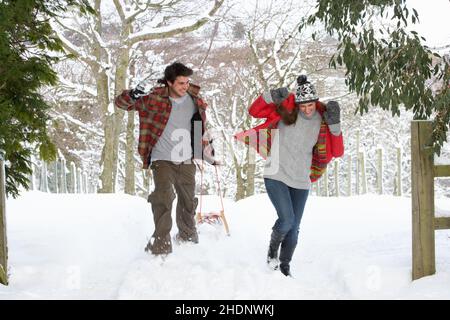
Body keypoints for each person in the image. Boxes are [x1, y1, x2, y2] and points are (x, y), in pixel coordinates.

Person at [235, 75, 344, 276]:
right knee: (286, 220)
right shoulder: (287, 111)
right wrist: (271, 96)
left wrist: (335, 125)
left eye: (310, 105)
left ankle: (285, 267)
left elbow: (337, 152)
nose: (307, 109)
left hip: (301, 180)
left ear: (316, 102)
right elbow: (254, 111)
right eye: (303, 105)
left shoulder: (322, 122)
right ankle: (271, 252)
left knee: (294, 230)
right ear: (298, 103)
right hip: (275, 173)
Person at [115, 62, 216, 256]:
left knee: (188, 200)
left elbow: (199, 128)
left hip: (186, 158)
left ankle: (187, 237)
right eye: (180, 83)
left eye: (187, 82)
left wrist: (206, 148)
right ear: (169, 82)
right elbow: (121, 104)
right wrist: (133, 94)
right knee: (164, 197)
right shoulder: (153, 98)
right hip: (162, 158)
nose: (184, 86)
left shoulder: (195, 100)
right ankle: (160, 244)